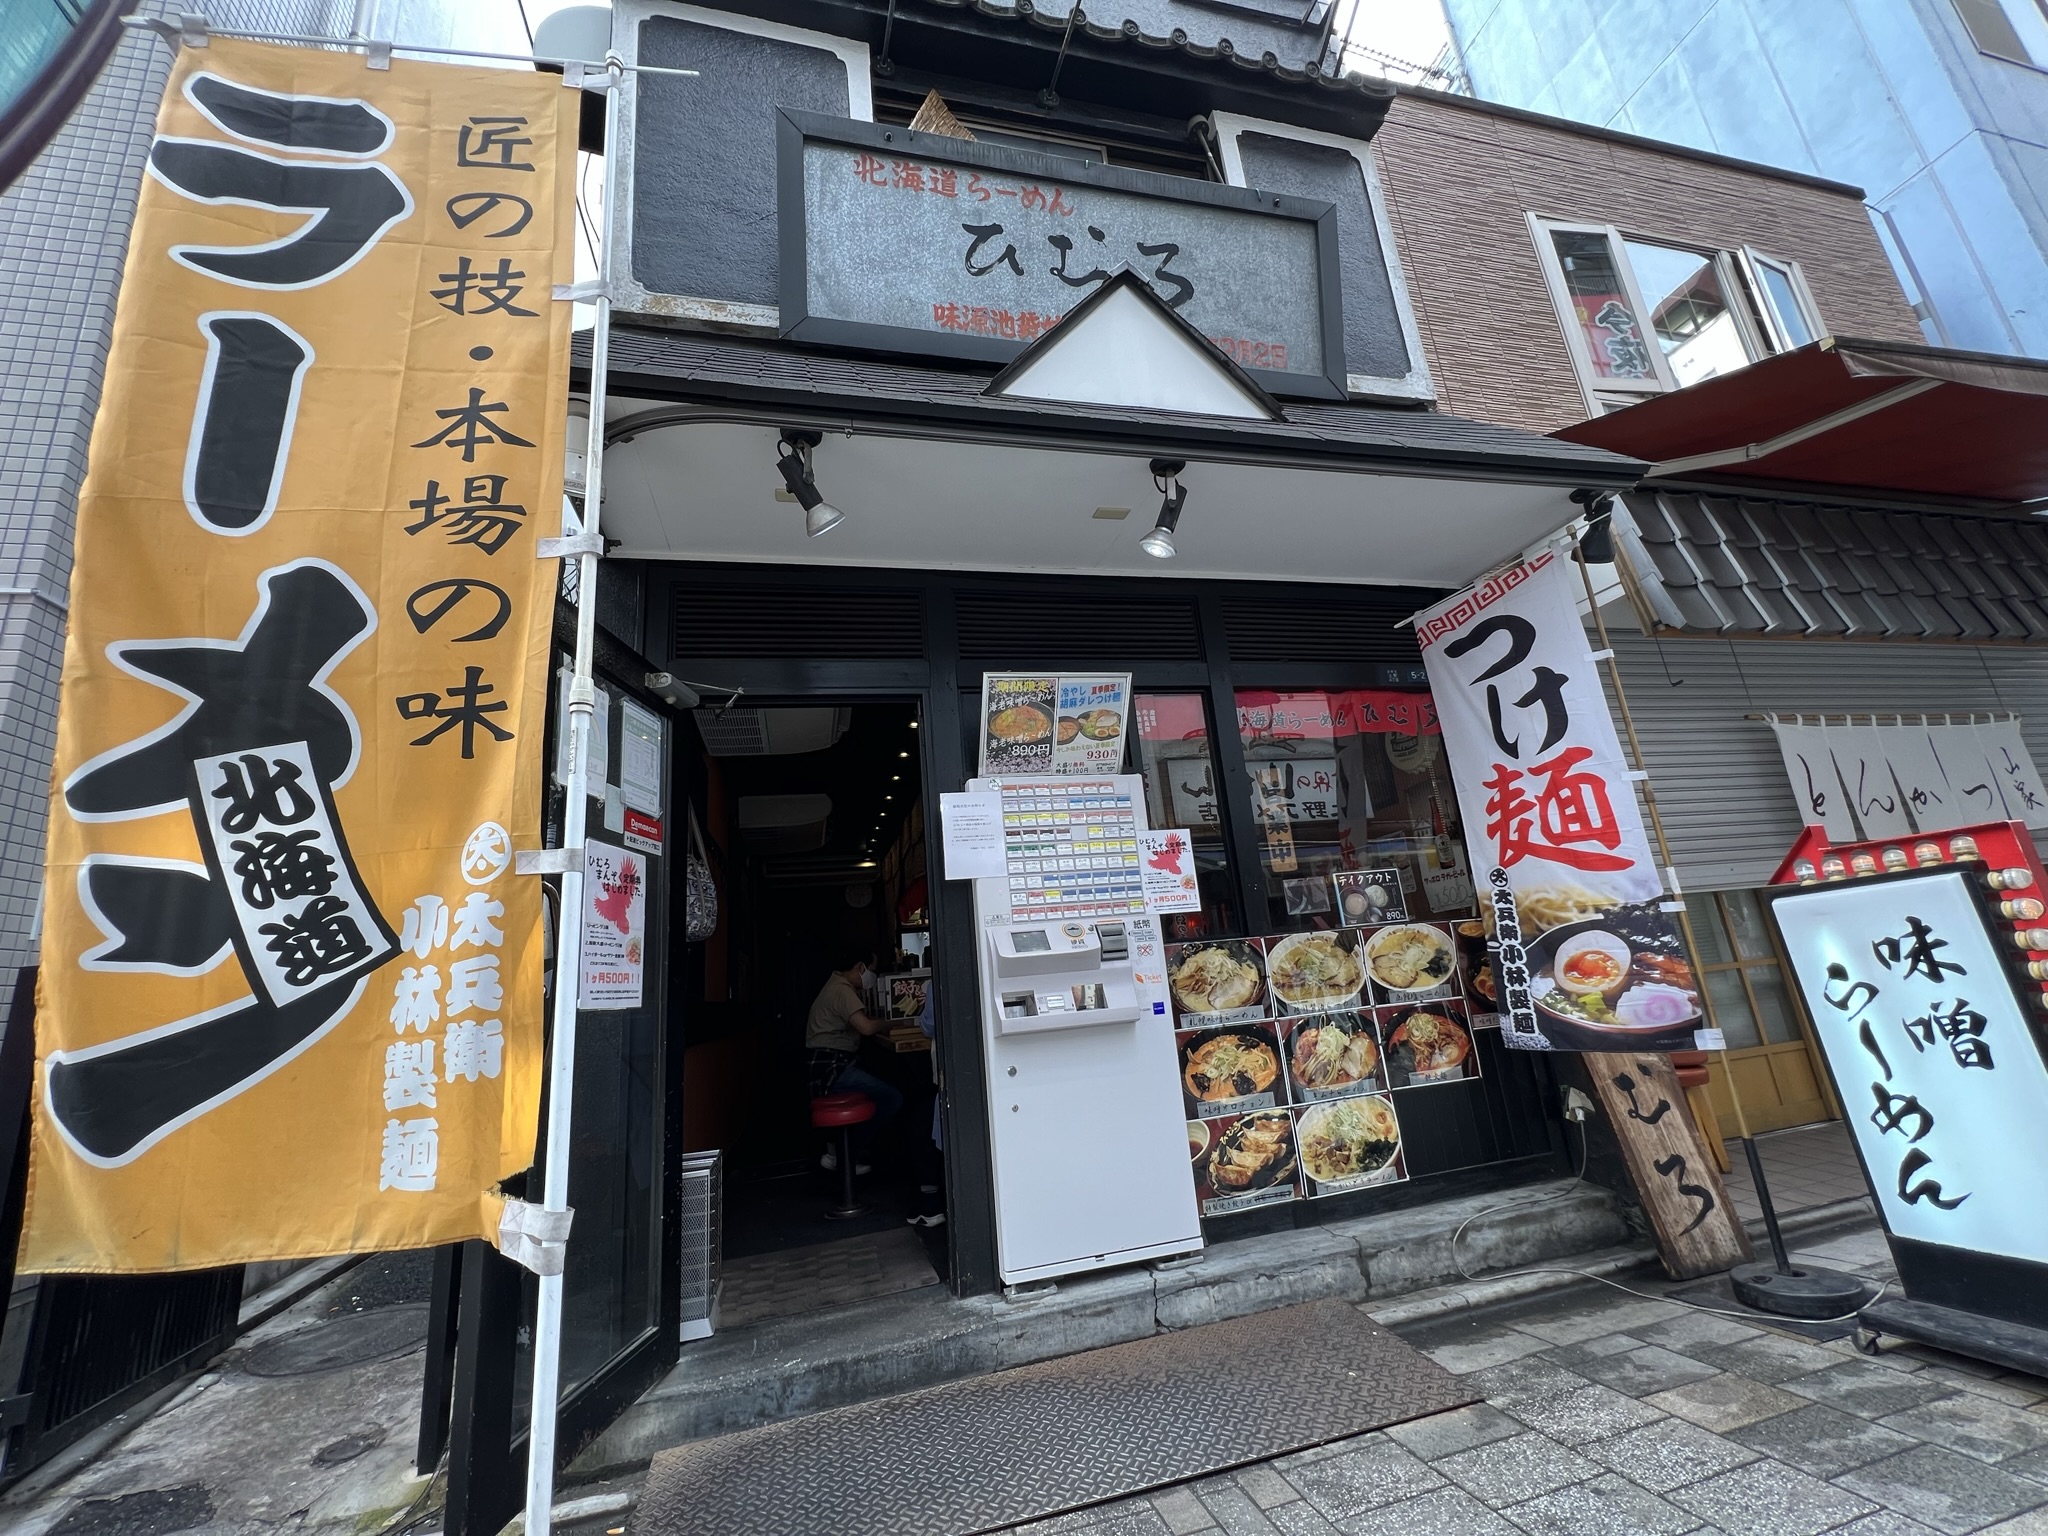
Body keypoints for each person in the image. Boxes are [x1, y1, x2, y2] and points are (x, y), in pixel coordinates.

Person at [805, 946, 903, 1173]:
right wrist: (892, 1023)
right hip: (833, 1068)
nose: (872, 976)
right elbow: (867, 1028)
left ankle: (838, 1150)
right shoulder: (841, 990)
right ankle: (846, 1153)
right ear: (860, 967)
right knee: (892, 1097)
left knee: (881, 1082)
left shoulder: (835, 985)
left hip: (825, 1066)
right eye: (872, 970)